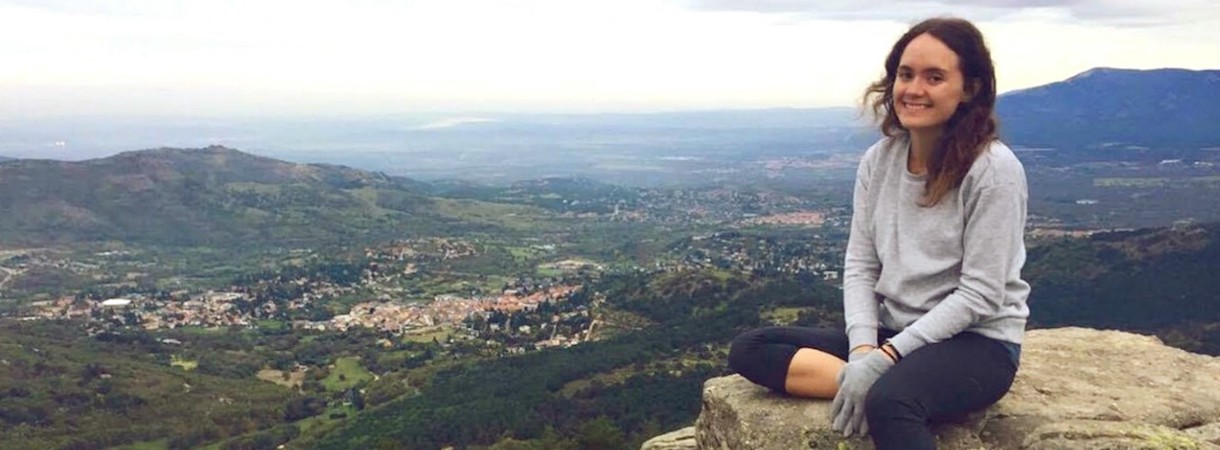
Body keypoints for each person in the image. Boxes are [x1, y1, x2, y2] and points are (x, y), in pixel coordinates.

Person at [727, 16, 1029, 450]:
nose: (913, 89)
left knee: (891, 402)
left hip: (977, 344)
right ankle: (866, 384)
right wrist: (864, 353)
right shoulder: (880, 160)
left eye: (934, 77)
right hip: (894, 333)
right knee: (752, 349)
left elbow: (981, 294)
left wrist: (886, 359)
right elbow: (861, 264)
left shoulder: (993, 171)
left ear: (970, 89)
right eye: (905, 75)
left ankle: (885, 390)